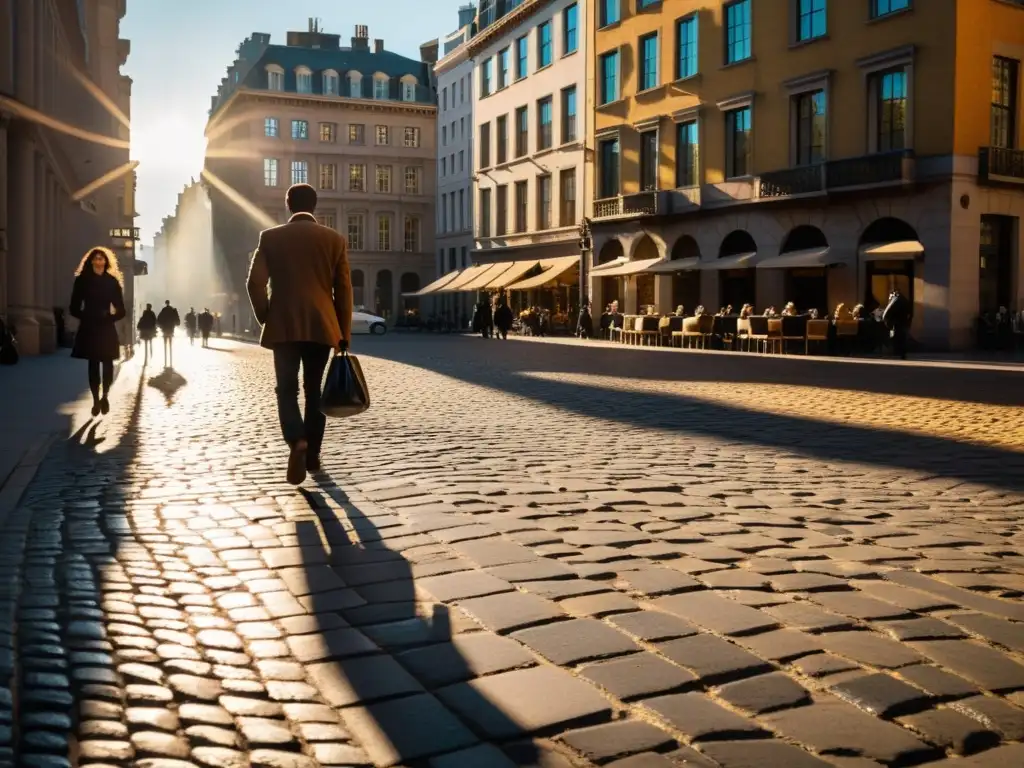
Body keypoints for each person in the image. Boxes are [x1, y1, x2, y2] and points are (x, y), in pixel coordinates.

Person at [247, 182, 353, 485]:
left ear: (287, 204)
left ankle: (297, 441)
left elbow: (254, 282)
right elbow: (343, 290)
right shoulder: (334, 240)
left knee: (286, 389)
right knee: (314, 390)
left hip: (284, 325)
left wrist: (267, 315)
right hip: (322, 325)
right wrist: (343, 333)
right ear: (315, 205)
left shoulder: (270, 237)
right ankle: (313, 455)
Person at [69, 247, 126, 416]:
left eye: (102, 258)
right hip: (90, 327)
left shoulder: (112, 281)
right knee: (93, 364)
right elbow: (73, 307)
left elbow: (121, 309)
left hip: (106, 326)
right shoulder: (82, 280)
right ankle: (95, 400)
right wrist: (86, 317)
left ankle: (105, 396)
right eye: (96, 258)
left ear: (106, 262)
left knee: (108, 364)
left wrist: (110, 318)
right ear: (91, 261)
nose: (99, 261)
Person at [882, 289, 911, 359]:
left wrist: (888, 324)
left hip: (896, 323)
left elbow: (885, 314)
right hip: (903, 322)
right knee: (902, 338)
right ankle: (902, 353)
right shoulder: (904, 300)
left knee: (895, 337)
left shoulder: (895, 299)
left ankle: (894, 352)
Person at [156, 300, 180, 367]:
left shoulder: (163, 310)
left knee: (165, 345)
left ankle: (165, 361)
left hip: (165, 329)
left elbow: (158, 319)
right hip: (171, 329)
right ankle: (171, 361)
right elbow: (177, 320)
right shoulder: (173, 310)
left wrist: (160, 326)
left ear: (165, 303)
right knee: (170, 344)